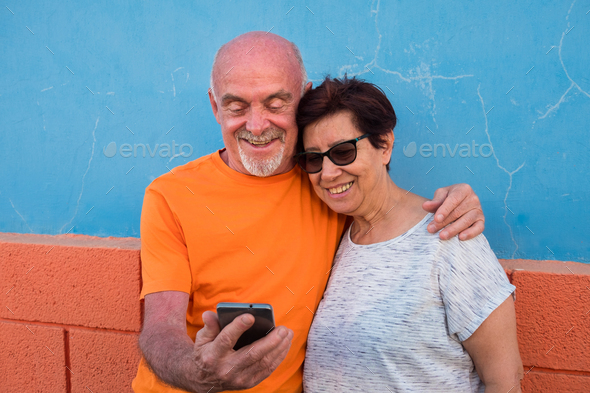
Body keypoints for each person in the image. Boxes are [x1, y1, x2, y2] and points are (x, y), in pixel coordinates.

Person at [132, 32, 487, 393]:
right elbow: (160, 328)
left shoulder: (329, 183)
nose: (256, 126)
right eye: (237, 107)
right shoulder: (171, 195)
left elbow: (386, 205)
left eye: (275, 104)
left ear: (303, 96)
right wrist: (195, 372)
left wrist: (458, 202)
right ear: (214, 106)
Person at [296, 76, 523, 392]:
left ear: (385, 145)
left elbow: (504, 380)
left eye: (344, 152)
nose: (328, 172)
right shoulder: (332, 239)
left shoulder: (448, 237)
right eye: (313, 158)